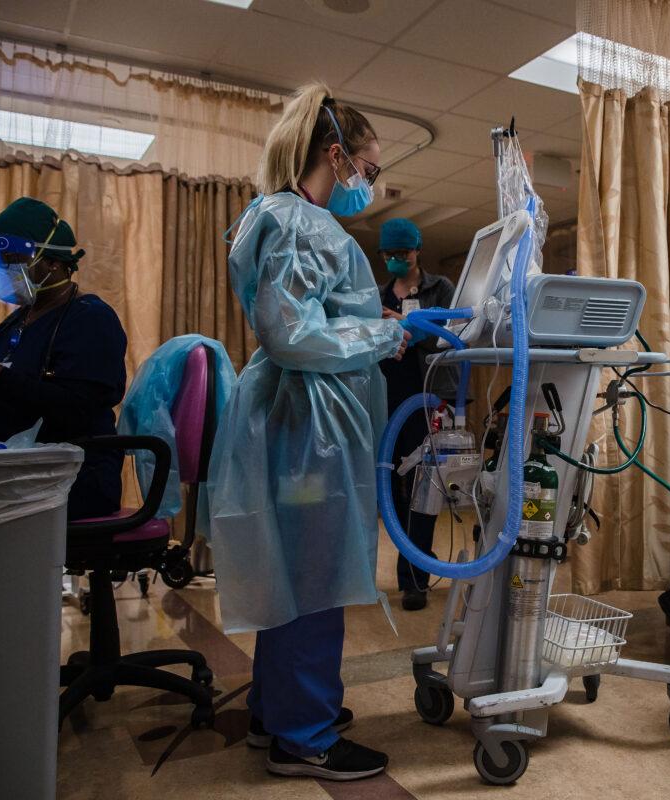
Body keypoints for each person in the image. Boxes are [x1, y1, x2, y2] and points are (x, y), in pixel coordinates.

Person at [208, 82, 410, 782]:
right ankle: (306, 735)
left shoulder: (277, 217)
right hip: (311, 429)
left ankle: (279, 710)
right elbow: (294, 335)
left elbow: (298, 323)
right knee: (317, 576)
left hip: (296, 424)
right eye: (370, 170)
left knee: (293, 571)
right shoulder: (304, 224)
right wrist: (386, 333)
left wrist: (379, 331)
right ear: (336, 154)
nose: (371, 185)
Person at [0, 197, 127, 520]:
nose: (1, 269)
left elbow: (74, 410)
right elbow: (0, 415)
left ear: (53, 264)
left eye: (12, 260)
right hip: (17, 474)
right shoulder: (17, 322)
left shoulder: (91, 320)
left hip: (72, 482)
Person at [376, 217, 459, 612]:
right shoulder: (378, 296)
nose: (396, 260)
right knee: (389, 489)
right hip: (387, 401)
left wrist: (404, 325)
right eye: (389, 255)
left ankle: (415, 581)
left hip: (426, 400)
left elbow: (450, 332)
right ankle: (397, 571)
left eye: (402, 254)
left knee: (423, 490)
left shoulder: (438, 288)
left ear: (417, 250)